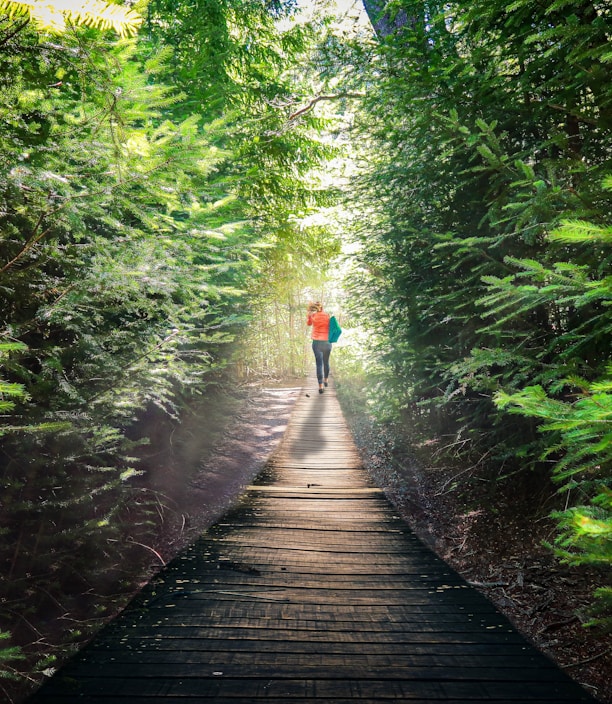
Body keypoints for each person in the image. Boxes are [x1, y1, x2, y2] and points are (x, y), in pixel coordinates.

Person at [306, 301, 332, 394]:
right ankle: (326, 380)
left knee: (319, 364)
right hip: (327, 342)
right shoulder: (327, 315)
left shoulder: (313, 316)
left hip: (317, 342)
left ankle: (320, 386)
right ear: (322, 308)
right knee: (326, 362)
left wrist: (308, 315)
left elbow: (308, 324)